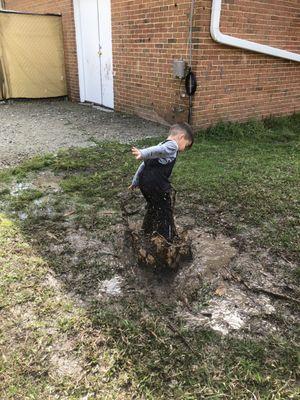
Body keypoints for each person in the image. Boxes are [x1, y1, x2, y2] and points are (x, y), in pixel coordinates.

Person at [129, 122, 194, 242]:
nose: (184, 149)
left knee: (154, 206)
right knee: (165, 210)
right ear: (181, 137)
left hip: (145, 183)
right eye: (186, 145)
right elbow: (159, 150)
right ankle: (167, 241)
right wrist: (143, 153)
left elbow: (143, 165)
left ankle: (147, 230)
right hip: (156, 184)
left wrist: (136, 181)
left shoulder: (161, 145)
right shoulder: (172, 146)